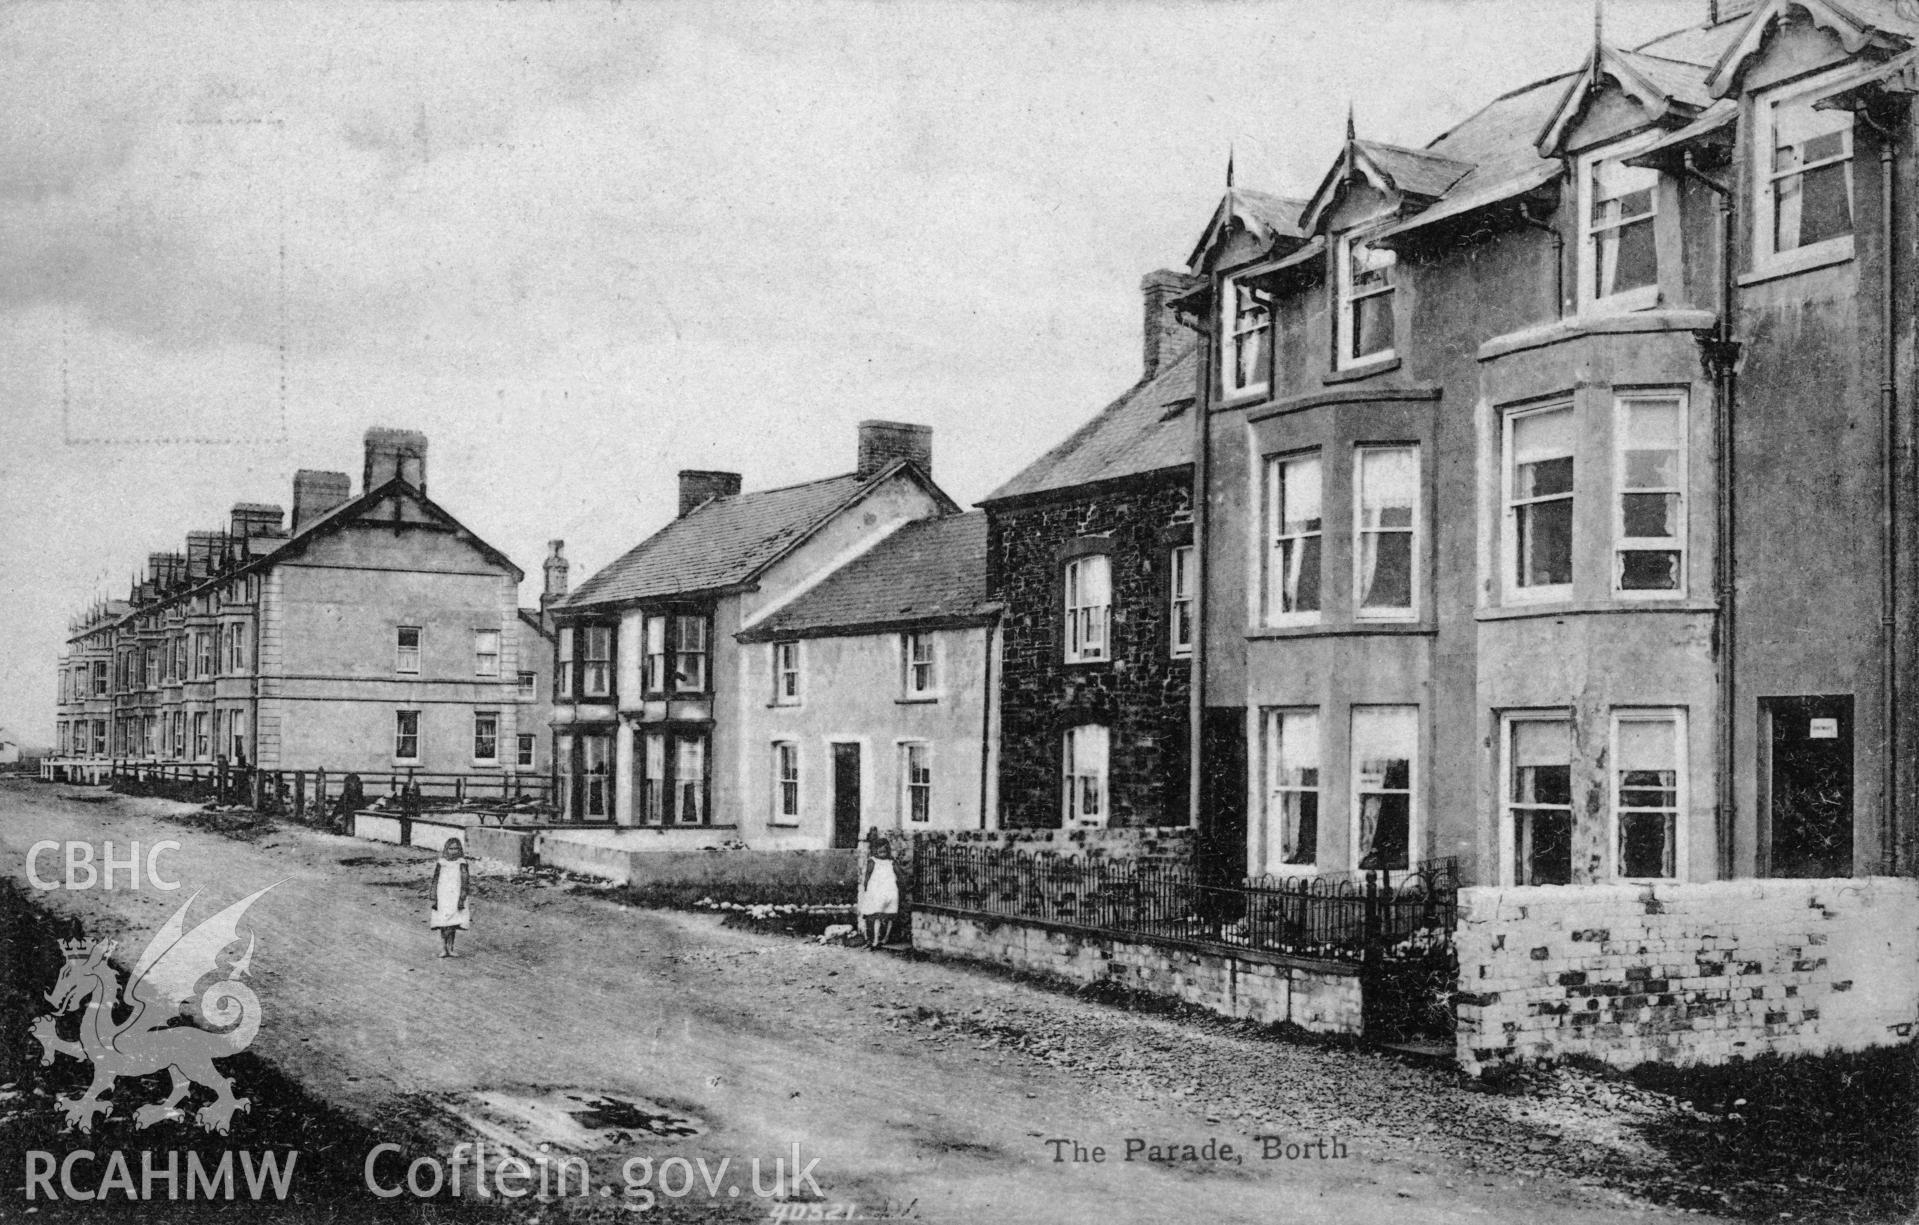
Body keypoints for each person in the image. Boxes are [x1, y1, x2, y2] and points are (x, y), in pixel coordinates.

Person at [429, 837, 471, 958]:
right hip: (443, 895)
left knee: (453, 923)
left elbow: (465, 880)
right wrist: (434, 895)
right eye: (451, 848)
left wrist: (462, 897)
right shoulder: (441, 863)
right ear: (446, 849)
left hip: (455, 895)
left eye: (456, 849)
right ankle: (443, 948)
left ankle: (451, 948)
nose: (453, 851)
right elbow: (436, 879)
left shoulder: (461, 863)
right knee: (443, 923)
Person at [860, 836, 899, 950]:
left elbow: (899, 873)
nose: (882, 852)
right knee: (876, 915)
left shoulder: (891, 862)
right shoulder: (872, 861)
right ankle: (875, 940)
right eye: (879, 849)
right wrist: (867, 889)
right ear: (876, 850)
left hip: (889, 891)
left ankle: (885, 937)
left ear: (887, 850)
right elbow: (867, 876)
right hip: (876, 891)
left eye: (884, 850)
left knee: (890, 915)